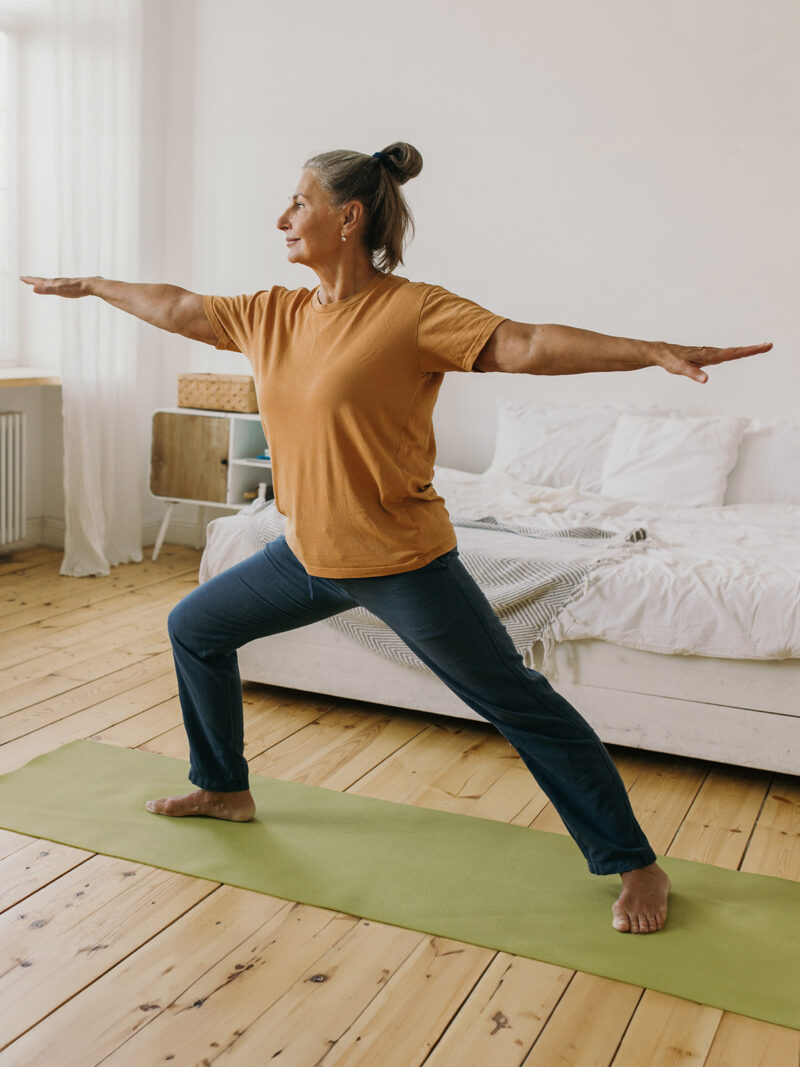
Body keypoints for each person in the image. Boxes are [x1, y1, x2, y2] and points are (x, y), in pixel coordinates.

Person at [20, 141, 772, 935]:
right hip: (305, 554)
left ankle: (635, 862)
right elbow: (177, 307)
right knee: (194, 627)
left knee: (521, 704)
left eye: (298, 203)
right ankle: (225, 786)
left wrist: (650, 352)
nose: (282, 218)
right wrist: (96, 285)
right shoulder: (271, 313)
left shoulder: (411, 312)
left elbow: (526, 344)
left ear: (349, 218)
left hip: (401, 564)